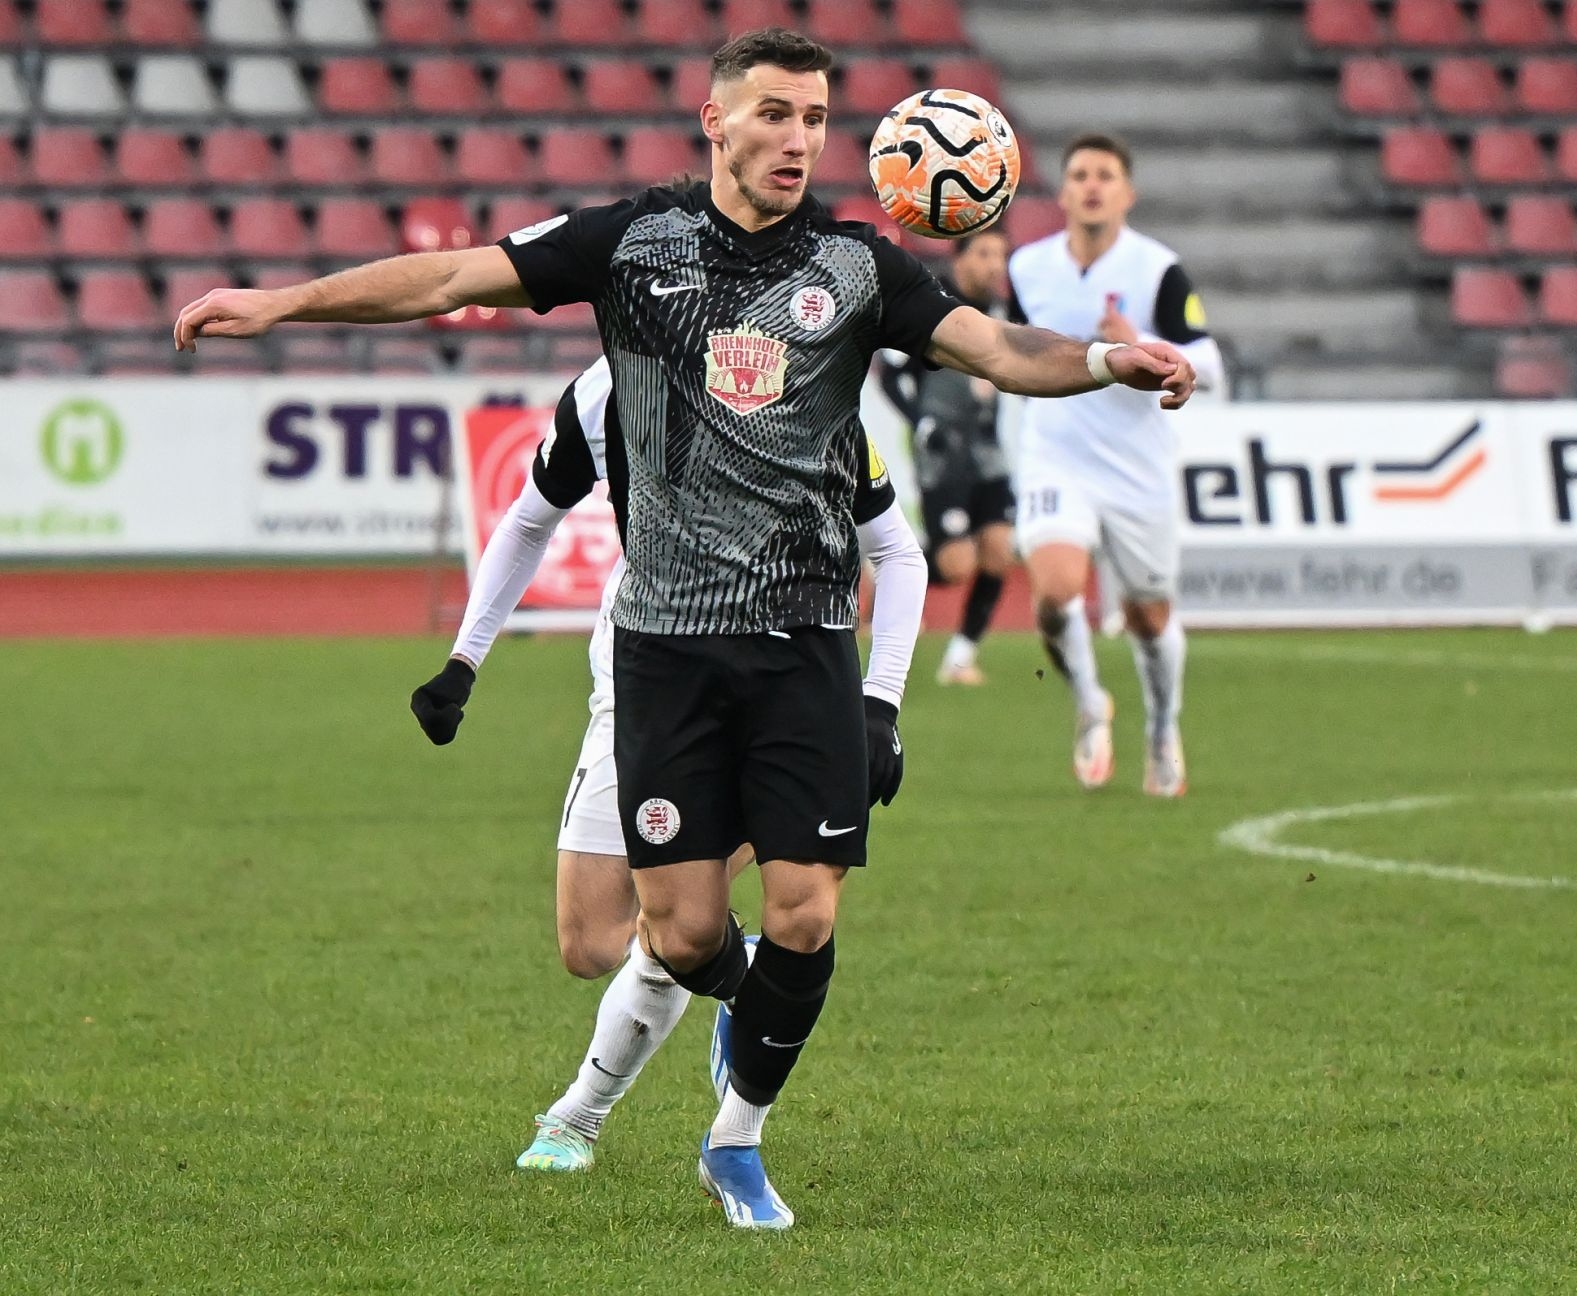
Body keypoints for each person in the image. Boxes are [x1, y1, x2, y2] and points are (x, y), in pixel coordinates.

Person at [174, 28, 1194, 1230]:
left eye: (816, 118)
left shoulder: (859, 268)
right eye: (774, 114)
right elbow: (451, 278)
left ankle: (737, 1140)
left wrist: (1108, 360)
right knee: (682, 928)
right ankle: (732, 1014)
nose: (798, 139)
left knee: (808, 905)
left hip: (804, 639)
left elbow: (1000, 350)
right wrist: (283, 304)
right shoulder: (630, 243)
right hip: (662, 648)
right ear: (716, 122)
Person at [405, 355, 925, 1174]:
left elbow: (896, 549)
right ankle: (743, 981)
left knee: (680, 917)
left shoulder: (797, 367)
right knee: (590, 942)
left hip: (775, 692)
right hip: (642, 685)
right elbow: (531, 518)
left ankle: (578, 1117)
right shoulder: (607, 387)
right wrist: (464, 660)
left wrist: (879, 702)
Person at [1006, 133, 1225, 795]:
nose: (1092, 185)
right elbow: (1009, 352)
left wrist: (1143, 344)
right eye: (1080, 174)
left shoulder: (1157, 270)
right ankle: (1090, 704)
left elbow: (1210, 363)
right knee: (1055, 593)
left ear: (1128, 193)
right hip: (1055, 454)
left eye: (1105, 175)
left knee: (1149, 618)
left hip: (1136, 466)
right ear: (1063, 191)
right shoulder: (1027, 268)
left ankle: (1161, 727)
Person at [876, 228, 1017, 686]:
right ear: (960, 258)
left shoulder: (1003, 309)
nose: (995, 265)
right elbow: (890, 374)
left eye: (1001, 255)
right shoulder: (930, 302)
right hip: (942, 451)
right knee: (957, 565)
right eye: (985, 253)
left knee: (999, 550)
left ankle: (960, 658)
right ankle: (889, 575)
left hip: (987, 448)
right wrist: (920, 419)